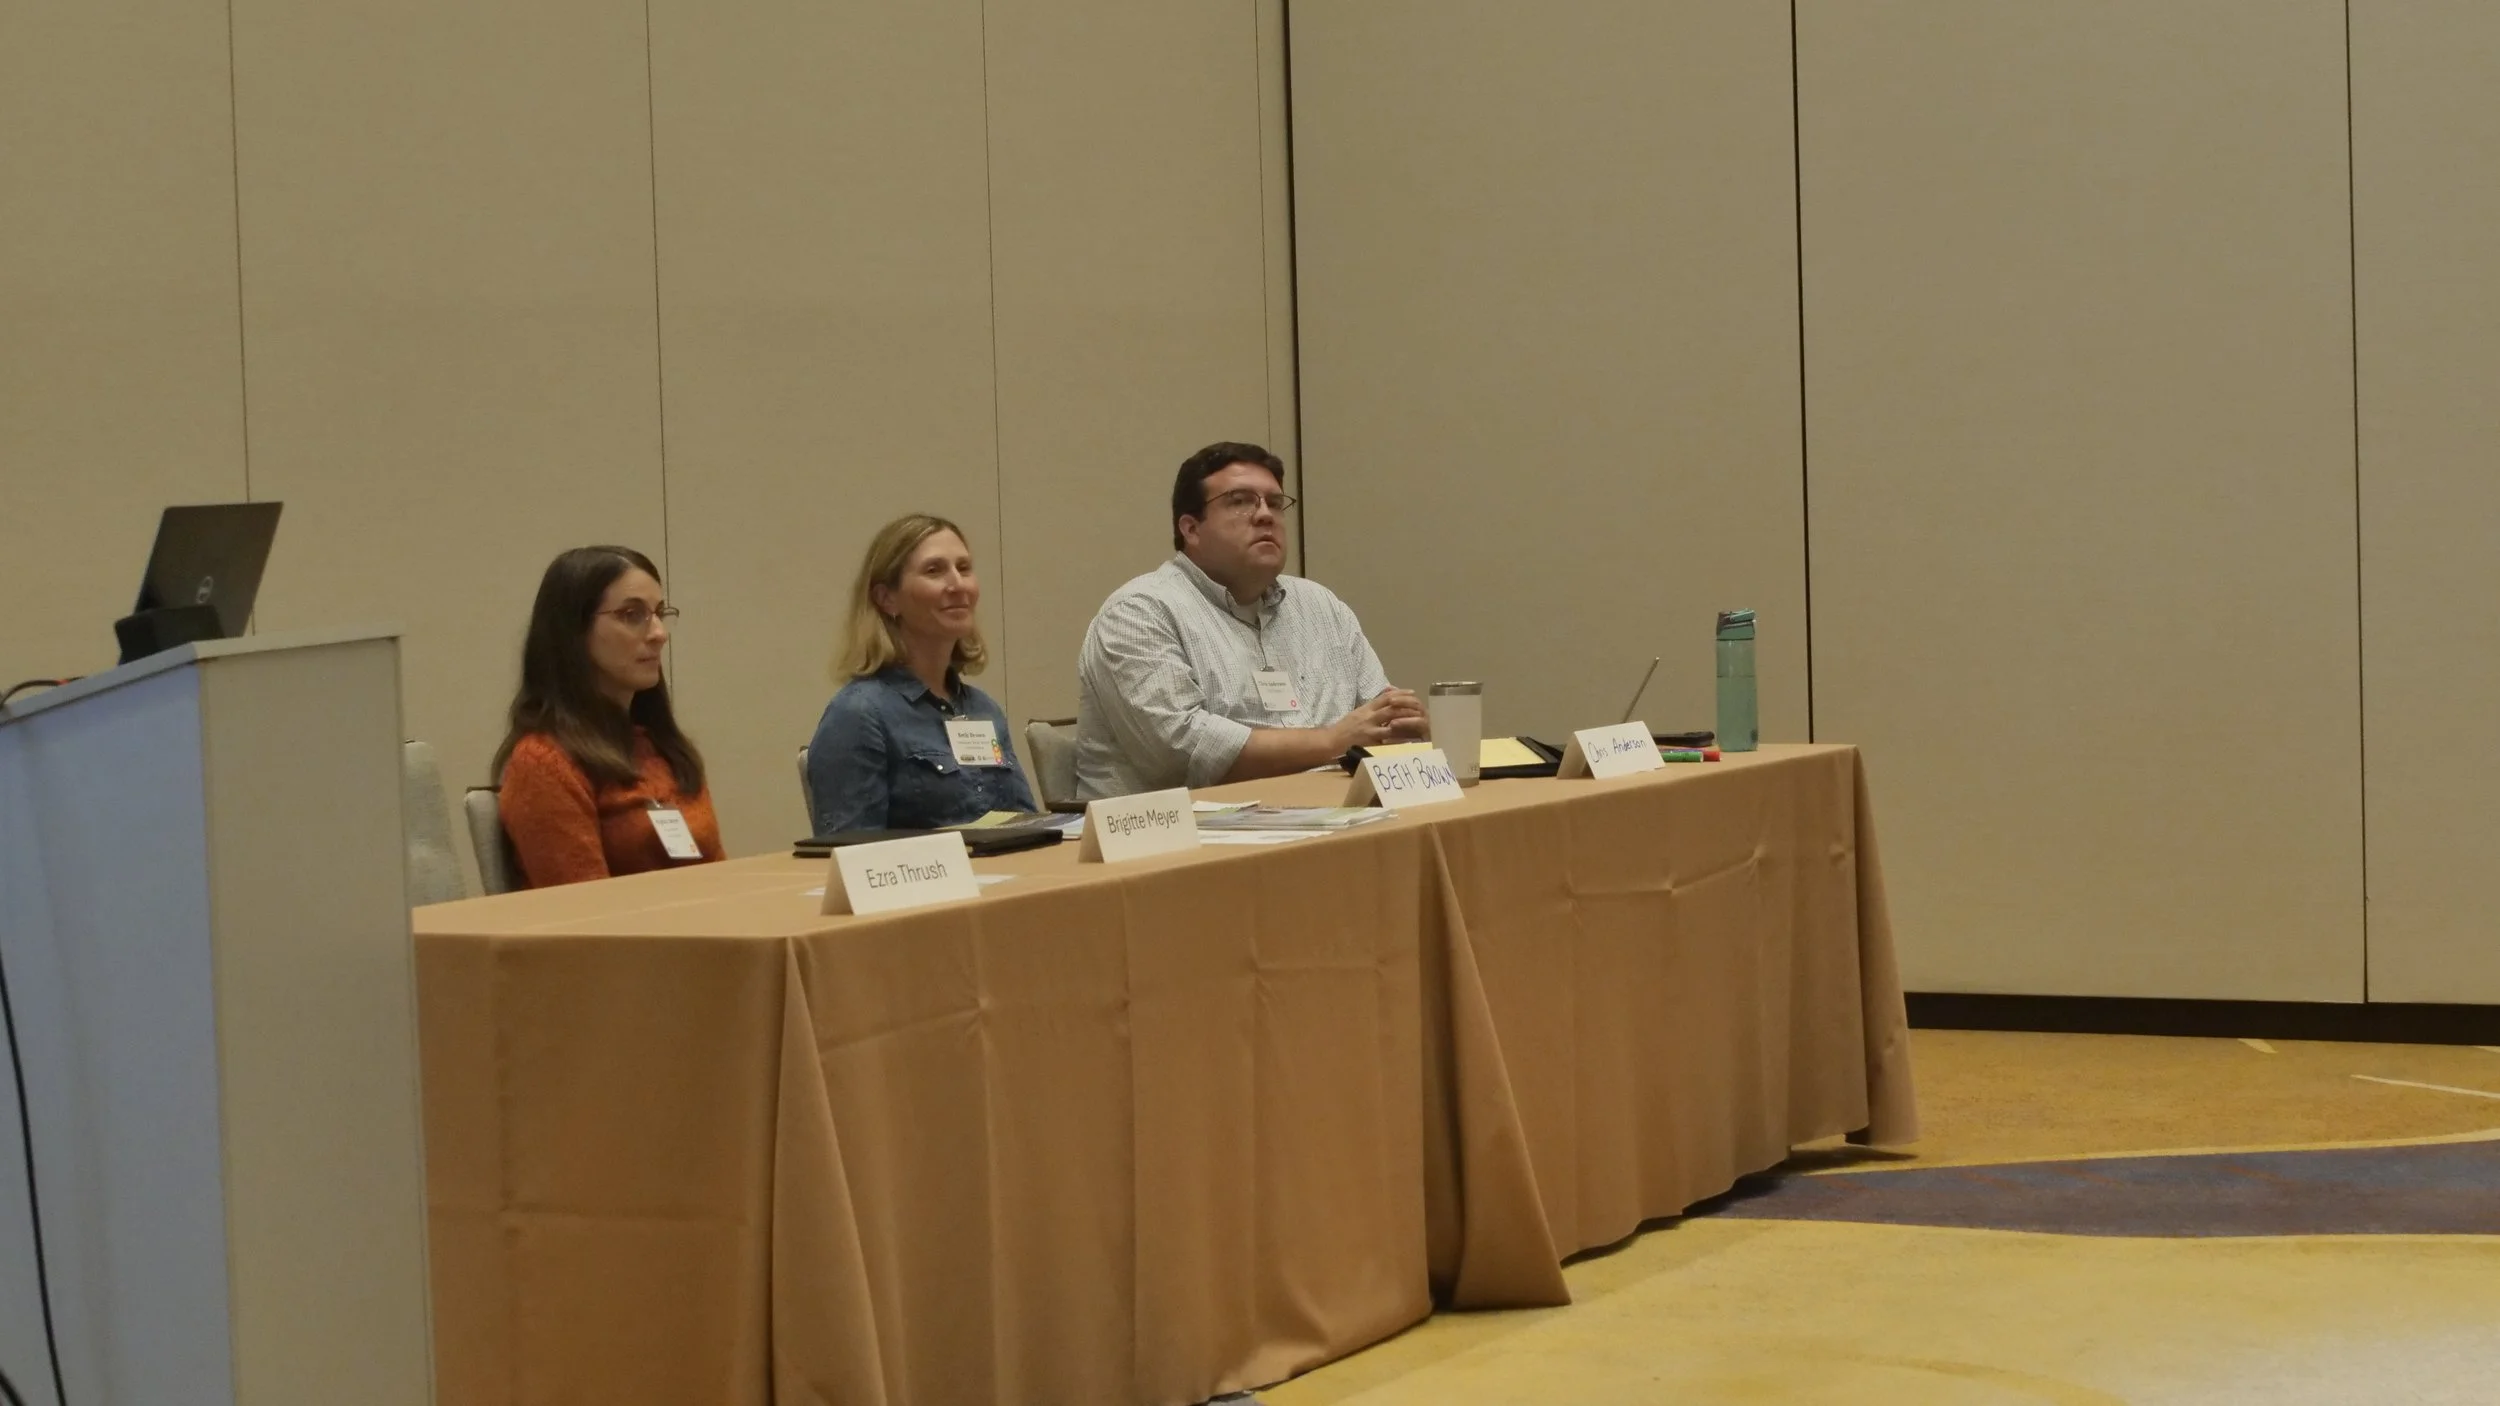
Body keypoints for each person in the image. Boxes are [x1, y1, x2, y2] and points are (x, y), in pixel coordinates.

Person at [1074, 441, 1426, 799]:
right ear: (1191, 529)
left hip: (1330, 815)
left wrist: (1399, 725)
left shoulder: (1321, 606)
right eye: (1240, 501)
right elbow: (1182, 750)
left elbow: (1379, 718)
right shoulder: (1139, 612)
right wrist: (1332, 741)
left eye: (1274, 502)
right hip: (1187, 827)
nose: (1265, 515)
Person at [492, 546, 724, 887]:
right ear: (574, 631)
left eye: (659, 613)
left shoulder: (666, 749)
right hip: (626, 923)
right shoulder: (544, 763)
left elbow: (720, 878)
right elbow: (584, 910)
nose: (659, 633)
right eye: (632, 614)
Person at [807, 514, 1038, 832]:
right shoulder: (858, 714)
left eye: (964, 568)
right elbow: (851, 849)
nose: (958, 585)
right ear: (887, 599)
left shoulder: (983, 709)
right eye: (934, 571)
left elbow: (1027, 827)